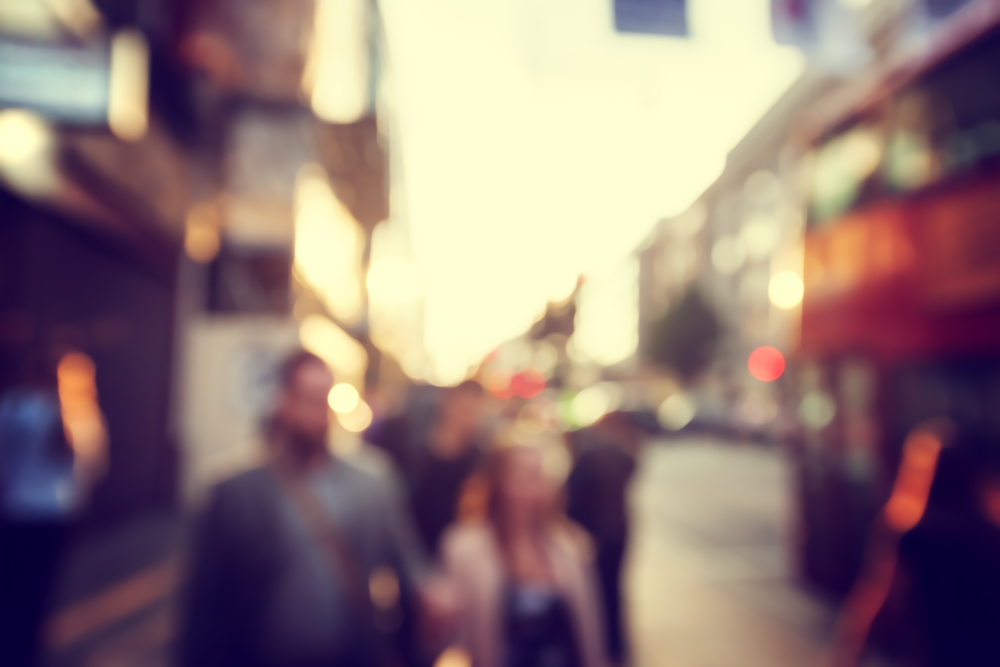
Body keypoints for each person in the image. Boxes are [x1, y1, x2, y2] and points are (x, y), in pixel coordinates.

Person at [180, 350, 451, 667]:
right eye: (308, 398)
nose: (317, 413)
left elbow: (405, 556)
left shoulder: (372, 482)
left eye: (324, 399)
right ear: (282, 401)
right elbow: (203, 607)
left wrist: (430, 589)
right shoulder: (235, 494)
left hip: (351, 655)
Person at [441, 435, 607, 667]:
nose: (536, 486)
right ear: (498, 481)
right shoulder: (464, 549)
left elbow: (590, 632)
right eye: (526, 475)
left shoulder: (570, 545)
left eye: (540, 476)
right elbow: (452, 638)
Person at [0, 351, 107, 667]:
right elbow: (94, 468)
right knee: (38, 590)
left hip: (16, 511)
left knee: (11, 586)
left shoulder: (13, 405)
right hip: (54, 516)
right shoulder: (80, 416)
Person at [368, 380, 486, 556]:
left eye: (472, 412)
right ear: (447, 403)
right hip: (404, 539)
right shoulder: (410, 440)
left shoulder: (477, 459)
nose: (466, 417)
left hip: (445, 549)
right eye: (463, 408)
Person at [566, 412, 645, 666]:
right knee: (615, 590)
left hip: (596, 536)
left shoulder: (589, 457)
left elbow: (573, 497)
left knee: (597, 592)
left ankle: (602, 644)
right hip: (619, 533)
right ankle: (617, 645)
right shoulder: (624, 456)